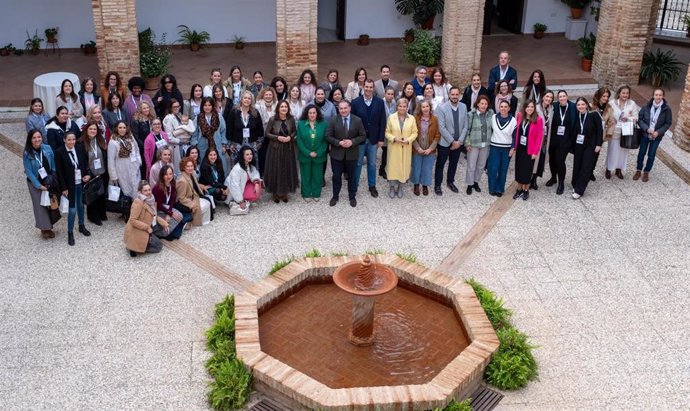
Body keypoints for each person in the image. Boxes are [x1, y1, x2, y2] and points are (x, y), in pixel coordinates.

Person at [325, 100, 366, 207]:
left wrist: (352, 142)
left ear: (349, 108)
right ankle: (335, 196)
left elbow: (362, 136)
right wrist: (339, 142)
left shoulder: (357, 120)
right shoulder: (333, 120)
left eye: (345, 108)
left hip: (352, 154)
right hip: (337, 154)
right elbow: (328, 136)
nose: (343, 110)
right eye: (341, 108)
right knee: (336, 176)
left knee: (352, 177)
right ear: (338, 109)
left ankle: (352, 196)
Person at [351, 79, 387, 197]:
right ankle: (354, 186)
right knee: (358, 163)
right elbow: (353, 122)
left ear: (373, 88)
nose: (368, 89)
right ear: (363, 87)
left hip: (374, 139)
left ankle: (372, 186)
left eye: (371, 87)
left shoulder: (379, 102)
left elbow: (383, 121)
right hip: (360, 139)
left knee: (372, 163)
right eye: (366, 87)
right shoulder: (355, 102)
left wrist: (381, 139)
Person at [55, 131, 91, 246]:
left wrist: (87, 174)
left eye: (73, 139)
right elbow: (59, 172)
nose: (72, 142)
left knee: (80, 205)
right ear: (64, 140)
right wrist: (63, 188)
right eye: (69, 140)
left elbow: (84, 164)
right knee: (72, 209)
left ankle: (81, 225)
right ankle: (70, 232)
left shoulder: (79, 148)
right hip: (69, 185)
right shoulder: (59, 152)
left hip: (80, 182)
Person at [23, 129, 57, 238]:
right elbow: (28, 172)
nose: (37, 139)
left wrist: (53, 177)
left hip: (48, 180)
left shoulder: (47, 148)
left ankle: (49, 225)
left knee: (50, 204)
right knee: (40, 206)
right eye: (34, 138)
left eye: (39, 137)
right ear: (30, 140)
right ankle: (44, 229)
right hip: (35, 183)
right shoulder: (27, 153)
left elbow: (53, 165)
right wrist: (38, 185)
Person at [435, 87, 467, 195]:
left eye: (457, 94)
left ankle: (450, 182)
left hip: (458, 143)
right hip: (444, 143)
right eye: (452, 94)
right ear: (449, 95)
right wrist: (453, 141)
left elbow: (465, 126)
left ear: (459, 95)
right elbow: (441, 127)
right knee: (440, 164)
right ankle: (438, 185)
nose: (455, 96)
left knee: (453, 164)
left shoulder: (463, 107)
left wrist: (460, 141)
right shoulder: (442, 108)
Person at [264, 101, 298, 203]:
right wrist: (277, 137)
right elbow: (267, 133)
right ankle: (275, 193)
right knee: (276, 170)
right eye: (282, 106)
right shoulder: (272, 119)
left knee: (286, 170)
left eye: (285, 107)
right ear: (278, 108)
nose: (284, 108)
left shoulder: (291, 119)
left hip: (288, 149)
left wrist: (290, 137)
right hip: (275, 149)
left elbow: (295, 131)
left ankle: (284, 192)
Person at [636, 88, 672, 182]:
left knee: (651, 155)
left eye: (660, 95)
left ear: (663, 96)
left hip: (657, 136)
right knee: (641, 153)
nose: (658, 97)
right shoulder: (646, 106)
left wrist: (658, 132)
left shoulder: (666, 109)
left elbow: (668, 123)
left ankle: (646, 172)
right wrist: (647, 129)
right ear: (653, 96)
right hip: (645, 134)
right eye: (656, 95)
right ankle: (638, 169)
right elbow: (640, 119)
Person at [385, 97, 418, 198]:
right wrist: (394, 138)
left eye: (404, 106)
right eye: (400, 106)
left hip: (406, 147)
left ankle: (400, 187)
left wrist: (408, 140)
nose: (402, 108)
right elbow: (387, 132)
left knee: (404, 168)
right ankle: (391, 187)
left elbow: (415, 132)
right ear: (397, 107)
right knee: (393, 168)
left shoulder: (411, 118)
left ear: (407, 107)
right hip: (394, 147)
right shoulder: (391, 118)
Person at [124, 181, 167, 257]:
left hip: (149, 223)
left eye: (149, 190)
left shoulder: (151, 199)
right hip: (139, 229)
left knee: (164, 230)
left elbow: (153, 214)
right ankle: (135, 247)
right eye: (145, 190)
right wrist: (147, 227)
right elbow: (132, 220)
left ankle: (148, 239)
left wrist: (163, 222)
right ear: (140, 192)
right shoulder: (138, 202)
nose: (148, 192)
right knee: (158, 246)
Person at [571, 97, 603, 199]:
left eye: (582, 104)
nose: (581, 106)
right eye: (578, 105)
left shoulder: (594, 115)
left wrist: (599, 144)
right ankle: (575, 184)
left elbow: (600, 130)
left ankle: (579, 190)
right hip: (579, 145)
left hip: (591, 145)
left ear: (586, 105)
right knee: (577, 166)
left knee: (586, 167)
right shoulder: (577, 116)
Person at [546, 90, 577, 195]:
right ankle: (553, 177)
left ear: (567, 97)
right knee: (552, 160)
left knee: (560, 161)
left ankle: (561, 182)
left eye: (564, 96)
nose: (562, 98)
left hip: (566, 141)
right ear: (557, 98)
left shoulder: (573, 107)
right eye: (560, 97)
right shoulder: (554, 106)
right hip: (553, 139)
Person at [512, 100, 543, 201]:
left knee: (527, 170)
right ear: (524, 107)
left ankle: (526, 190)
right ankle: (519, 189)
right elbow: (516, 131)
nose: (530, 109)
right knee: (519, 169)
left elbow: (539, 137)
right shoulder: (520, 116)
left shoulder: (538, 119)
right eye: (528, 106)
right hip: (520, 148)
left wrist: (535, 152)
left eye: (532, 107)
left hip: (530, 150)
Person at [296, 104, 328, 201]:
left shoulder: (323, 124)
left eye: (314, 112)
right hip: (305, 155)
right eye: (310, 113)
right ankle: (306, 193)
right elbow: (299, 140)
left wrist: (318, 152)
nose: (312, 115)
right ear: (307, 113)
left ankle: (316, 193)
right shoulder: (301, 124)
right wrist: (308, 152)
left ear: (317, 113)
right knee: (305, 175)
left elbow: (325, 141)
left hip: (319, 155)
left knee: (317, 175)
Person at [606, 85, 639, 179]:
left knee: (623, 152)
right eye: (623, 93)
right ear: (619, 93)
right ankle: (608, 169)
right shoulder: (612, 103)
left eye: (627, 93)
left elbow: (636, 118)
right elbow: (607, 115)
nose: (625, 95)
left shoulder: (632, 103)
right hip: (614, 132)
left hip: (625, 133)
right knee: (612, 151)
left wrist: (628, 118)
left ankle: (619, 170)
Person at [464, 95, 494, 195]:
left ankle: (476, 182)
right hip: (473, 144)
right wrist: (467, 143)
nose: (484, 106)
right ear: (477, 104)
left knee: (481, 165)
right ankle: (469, 184)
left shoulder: (490, 114)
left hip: (485, 144)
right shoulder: (471, 114)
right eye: (482, 103)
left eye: (486, 104)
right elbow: (466, 131)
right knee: (471, 165)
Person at [152, 165, 191, 240]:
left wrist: (169, 213)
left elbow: (172, 201)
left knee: (180, 216)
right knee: (179, 216)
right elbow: (158, 205)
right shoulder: (157, 188)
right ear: (162, 175)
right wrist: (170, 213)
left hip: (167, 208)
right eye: (166, 174)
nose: (169, 176)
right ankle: (164, 233)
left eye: (170, 174)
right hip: (158, 210)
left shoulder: (172, 185)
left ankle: (168, 232)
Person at [227, 91, 264, 168]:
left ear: (251, 101)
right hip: (237, 146)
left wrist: (258, 144)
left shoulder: (255, 113)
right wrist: (230, 144)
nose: (247, 100)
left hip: (251, 146)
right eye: (245, 98)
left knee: (252, 168)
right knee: (237, 168)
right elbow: (229, 129)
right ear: (241, 99)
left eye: (249, 98)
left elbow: (260, 130)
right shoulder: (234, 112)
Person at [487, 100, 517, 197]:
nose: (503, 108)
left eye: (505, 107)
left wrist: (513, 148)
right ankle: (492, 188)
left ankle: (500, 189)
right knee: (493, 168)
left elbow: (515, 136)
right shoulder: (493, 117)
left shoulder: (513, 120)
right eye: (501, 106)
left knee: (503, 170)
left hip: (506, 149)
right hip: (494, 147)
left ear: (509, 108)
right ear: (499, 108)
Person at [82, 121, 109, 224]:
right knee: (92, 196)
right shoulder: (82, 143)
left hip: (102, 171)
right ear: (86, 130)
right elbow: (82, 160)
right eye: (90, 129)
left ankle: (102, 213)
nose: (92, 131)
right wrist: (87, 173)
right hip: (91, 173)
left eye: (94, 129)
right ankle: (93, 217)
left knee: (101, 194)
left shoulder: (100, 140)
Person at [192, 97, 229, 173]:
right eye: (205, 105)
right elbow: (194, 133)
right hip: (202, 147)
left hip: (217, 146)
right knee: (204, 168)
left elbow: (223, 131)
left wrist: (224, 145)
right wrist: (195, 145)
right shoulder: (198, 118)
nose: (207, 107)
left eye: (209, 105)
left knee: (220, 166)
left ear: (212, 106)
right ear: (202, 106)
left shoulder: (219, 116)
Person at [411, 100, 440, 196]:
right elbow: (412, 134)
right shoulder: (415, 119)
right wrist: (418, 148)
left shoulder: (435, 119)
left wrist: (430, 149)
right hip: (417, 149)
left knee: (427, 168)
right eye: (423, 107)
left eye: (427, 106)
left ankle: (424, 185)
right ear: (420, 108)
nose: (425, 108)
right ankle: (416, 184)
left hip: (430, 150)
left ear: (430, 107)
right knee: (416, 167)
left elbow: (437, 135)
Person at [107, 120, 142, 199]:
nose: (122, 129)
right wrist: (114, 177)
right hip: (121, 171)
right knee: (126, 193)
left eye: (124, 127)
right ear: (116, 129)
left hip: (134, 168)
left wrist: (139, 161)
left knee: (136, 190)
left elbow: (137, 149)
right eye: (120, 128)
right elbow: (111, 161)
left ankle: (135, 208)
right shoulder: (113, 142)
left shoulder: (131, 137)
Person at [224, 145, 263, 211]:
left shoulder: (249, 165)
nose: (250, 156)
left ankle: (247, 199)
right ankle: (241, 199)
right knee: (251, 193)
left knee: (258, 184)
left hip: (243, 186)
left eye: (251, 154)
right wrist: (240, 201)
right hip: (232, 191)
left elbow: (255, 173)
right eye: (247, 154)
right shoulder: (237, 168)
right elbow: (234, 186)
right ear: (242, 156)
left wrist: (256, 183)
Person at [177, 157, 212, 226]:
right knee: (205, 204)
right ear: (183, 167)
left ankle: (205, 222)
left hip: (194, 196)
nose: (190, 168)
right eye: (188, 166)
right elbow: (181, 198)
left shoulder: (191, 174)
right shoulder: (182, 181)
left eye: (191, 166)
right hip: (188, 200)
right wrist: (191, 204)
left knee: (208, 201)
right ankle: (197, 222)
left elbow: (194, 184)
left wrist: (202, 186)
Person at [163, 99, 196, 173]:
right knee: (178, 168)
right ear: (170, 107)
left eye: (178, 106)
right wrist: (180, 141)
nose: (176, 108)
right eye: (174, 106)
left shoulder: (179, 115)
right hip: (176, 146)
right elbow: (169, 137)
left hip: (184, 145)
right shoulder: (168, 118)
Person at [589, 87, 614, 182]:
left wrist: (608, 134)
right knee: (588, 154)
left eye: (607, 96)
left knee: (596, 155)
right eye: (603, 96)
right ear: (599, 96)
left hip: (600, 136)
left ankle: (591, 171)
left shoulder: (609, 108)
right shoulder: (591, 106)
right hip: (590, 135)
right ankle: (585, 171)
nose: (605, 98)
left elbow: (612, 121)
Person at [532, 90, 554, 190]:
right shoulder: (536, 108)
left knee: (540, 160)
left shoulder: (551, 109)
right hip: (536, 138)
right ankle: (530, 179)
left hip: (545, 139)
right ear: (543, 97)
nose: (548, 99)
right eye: (547, 96)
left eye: (551, 98)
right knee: (534, 159)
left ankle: (534, 180)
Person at [130, 101, 155, 176]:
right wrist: (144, 146)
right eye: (144, 108)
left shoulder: (152, 119)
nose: (146, 109)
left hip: (153, 147)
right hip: (143, 148)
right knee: (145, 167)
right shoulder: (136, 121)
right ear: (140, 109)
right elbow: (136, 136)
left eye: (147, 107)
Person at [380, 86, 398, 179]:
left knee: (389, 151)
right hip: (383, 130)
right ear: (385, 94)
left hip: (392, 131)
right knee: (386, 151)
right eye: (388, 94)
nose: (390, 96)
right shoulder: (380, 103)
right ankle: (382, 169)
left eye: (392, 94)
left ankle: (385, 168)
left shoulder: (395, 103)